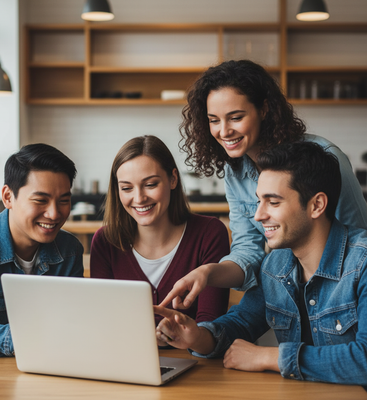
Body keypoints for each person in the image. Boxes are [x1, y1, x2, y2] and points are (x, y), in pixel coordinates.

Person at [161, 59, 367, 310]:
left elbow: (358, 240)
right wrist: (208, 273)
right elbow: (248, 249)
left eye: (235, 117)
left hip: (344, 299)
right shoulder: (234, 170)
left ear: (264, 109)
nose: (223, 131)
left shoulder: (324, 158)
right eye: (214, 120)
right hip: (291, 294)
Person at [154, 141, 367, 385]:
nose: (258, 215)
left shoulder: (362, 263)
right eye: (259, 201)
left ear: (316, 205)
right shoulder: (276, 265)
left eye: (273, 202)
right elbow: (241, 322)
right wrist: (196, 337)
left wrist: (269, 357)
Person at [90, 135, 230, 339]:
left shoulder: (209, 234)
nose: (138, 198)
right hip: (127, 362)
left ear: (173, 179)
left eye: (150, 184)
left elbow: (210, 327)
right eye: (127, 188)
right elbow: (102, 322)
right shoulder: (105, 241)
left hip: (196, 364)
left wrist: (181, 335)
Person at [0, 143, 84, 357]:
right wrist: (22, 338)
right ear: (8, 197)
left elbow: (71, 322)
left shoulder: (70, 250)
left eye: (64, 201)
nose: (54, 214)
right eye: (41, 200)